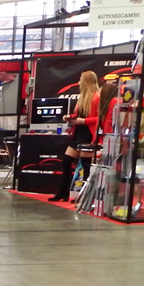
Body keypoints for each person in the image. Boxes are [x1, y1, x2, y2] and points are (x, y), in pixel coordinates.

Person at [50, 70, 100, 201]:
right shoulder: (83, 98)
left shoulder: (96, 97)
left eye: (80, 80)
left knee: (85, 165)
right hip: (78, 134)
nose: (78, 83)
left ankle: (84, 195)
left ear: (86, 82)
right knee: (66, 161)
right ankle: (63, 191)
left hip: (88, 135)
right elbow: (80, 115)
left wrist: (84, 121)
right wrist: (70, 118)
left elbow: (99, 118)